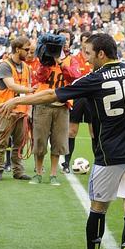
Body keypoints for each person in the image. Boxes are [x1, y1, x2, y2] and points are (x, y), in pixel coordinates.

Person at [0, 33, 125, 249]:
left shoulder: (95, 78)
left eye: (88, 54)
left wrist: (18, 99)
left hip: (108, 156)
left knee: (98, 209)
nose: (86, 59)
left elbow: (52, 95)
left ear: (101, 54)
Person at [29, 34, 80, 186]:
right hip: (43, 104)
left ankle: (53, 174)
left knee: (58, 142)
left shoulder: (72, 60)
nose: (64, 44)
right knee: (39, 141)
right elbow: (40, 77)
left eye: (67, 40)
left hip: (62, 105)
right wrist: (47, 62)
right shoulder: (44, 58)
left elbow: (74, 77)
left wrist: (60, 63)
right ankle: (38, 173)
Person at [0, 36, 35, 181]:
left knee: (20, 144)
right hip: (6, 111)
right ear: (17, 49)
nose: (29, 53)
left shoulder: (27, 67)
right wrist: (30, 90)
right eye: (26, 50)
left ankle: (18, 171)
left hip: (22, 112)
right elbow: (11, 85)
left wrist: (28, 111)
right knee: (1, 142)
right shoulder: (5, 65)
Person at [63, 31, 94, 174]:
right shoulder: (75, 59)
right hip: (77, 98)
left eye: (89, 40)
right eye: (84, 40)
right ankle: (66, 164)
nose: (86, 43)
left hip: (92, 98)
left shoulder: (95, 59)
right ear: (81, 42)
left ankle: (99, 163)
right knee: (72, 131)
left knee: (94, 131)